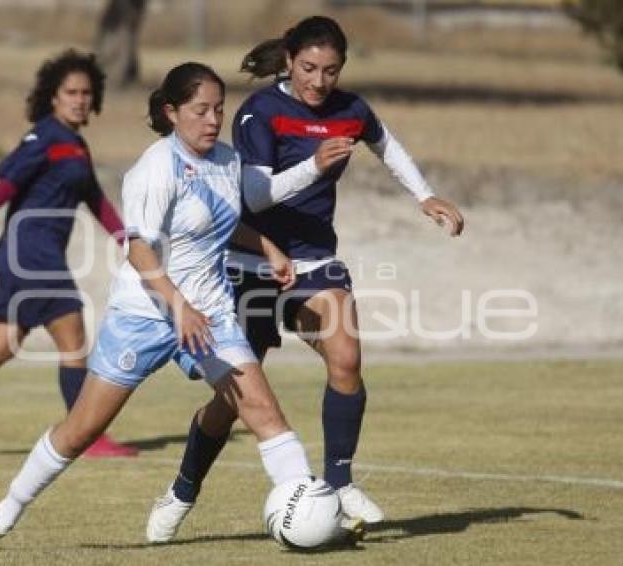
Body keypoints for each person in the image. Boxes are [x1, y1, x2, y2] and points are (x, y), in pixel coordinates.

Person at [0, 62, 320, 552]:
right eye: (200, 110)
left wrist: (266, 245)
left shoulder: (228, 161)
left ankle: (308, 509)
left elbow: (221, 221)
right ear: (172, 112)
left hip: (208, 314)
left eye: (219, 110)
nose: (213, 120)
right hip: (143, 315)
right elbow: (138, 247)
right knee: (82, 431)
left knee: (261, 410)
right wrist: (177, 305)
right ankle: (3, 514)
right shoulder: (155, 167)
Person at [148, 15, 465, 538]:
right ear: (290, 60)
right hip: (248, 266)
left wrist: (424, 194)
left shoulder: (350, 109)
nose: (319, 81)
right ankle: (182, 491)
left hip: (315, 262)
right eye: (310, 68)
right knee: (231, 404)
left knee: (347, 358)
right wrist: (315, 166)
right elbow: (253, 196)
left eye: (332, 70)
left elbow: (386, 144)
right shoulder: (260, 113)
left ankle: (339, 484)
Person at [0, 48, 138, 458]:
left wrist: (127, 239)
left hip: (39, 257)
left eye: (86, 92)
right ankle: (83, 437)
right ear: (54, 95)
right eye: (71, 92)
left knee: (0, 347)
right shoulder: (44, 136)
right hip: (29, 255)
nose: (80, 99)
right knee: (74, 339)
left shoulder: (76, 146)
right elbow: (6, 186)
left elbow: (96, 201)